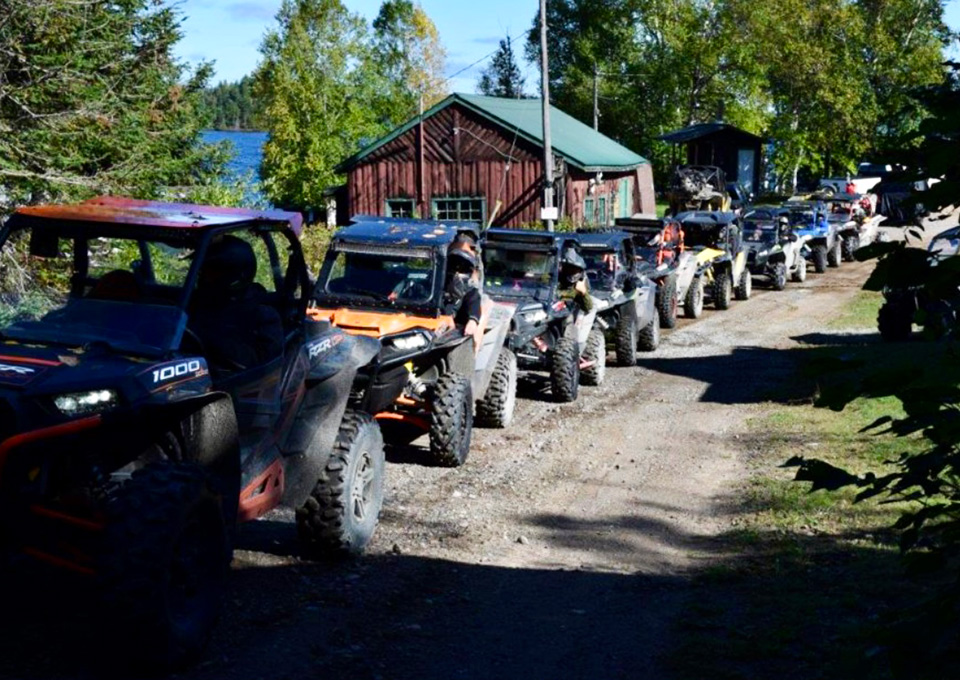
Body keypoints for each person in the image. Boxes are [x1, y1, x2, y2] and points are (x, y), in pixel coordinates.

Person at [189, 234, 283, 372]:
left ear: (236, 274)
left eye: (211, 272)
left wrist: (206, 338)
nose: (203, 278)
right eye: (202, 271)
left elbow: (262, 366)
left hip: (234, 387)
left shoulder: (262, 315)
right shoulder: (196, 302)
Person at [442, 235, 483, 345]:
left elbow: (473, 302)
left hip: (454, 332)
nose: (456, 273)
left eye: (462, 269)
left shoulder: (469, 289)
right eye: (453, 267)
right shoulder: (437, 282)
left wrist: (473, 321)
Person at [557, 246, 592, 313]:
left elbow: (588, 307)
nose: (572, 272)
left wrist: (583, 292)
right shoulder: (559, 278)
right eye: (569, 269)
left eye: (575, 270)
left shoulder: (580, 283)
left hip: (570, 313)